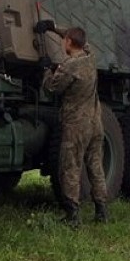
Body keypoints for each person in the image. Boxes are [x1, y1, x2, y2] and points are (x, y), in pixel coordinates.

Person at [41, 26, 108, 226]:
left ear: (69, 42)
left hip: (77, 125)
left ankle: (72, 215)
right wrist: (55, 29)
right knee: (95, 166)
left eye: (64, 39)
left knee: (70, 167)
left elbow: (52, 88)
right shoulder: (90, 58)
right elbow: (82, 40)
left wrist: (46, 71)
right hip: (96, 122)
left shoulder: (69, 66)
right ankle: (101, 211)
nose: (63, 43)